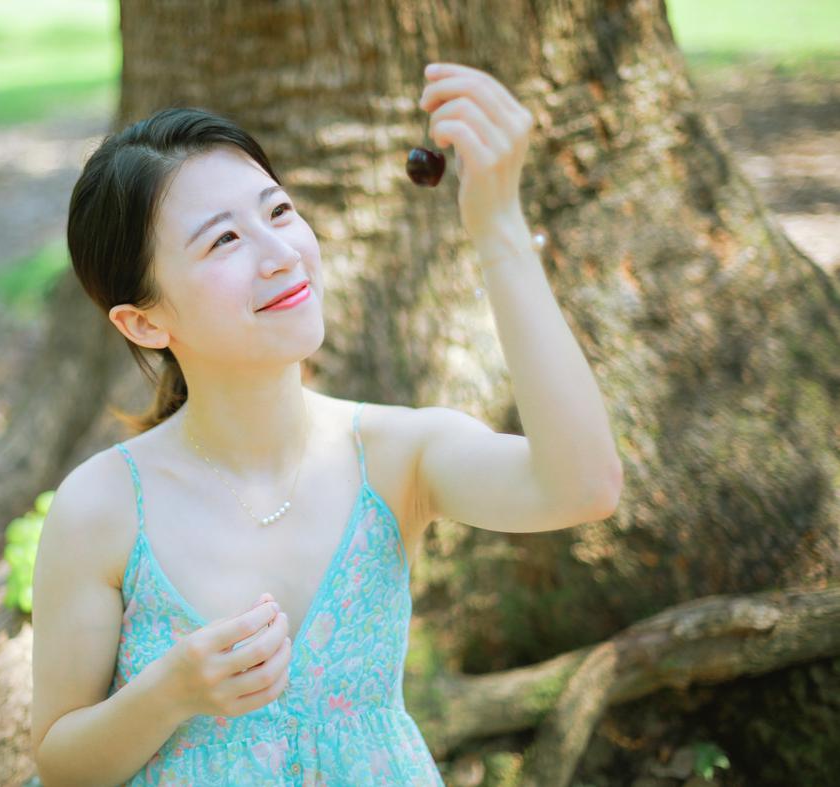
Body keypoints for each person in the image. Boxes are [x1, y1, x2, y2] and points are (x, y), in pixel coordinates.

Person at [31, 62, 623, 785]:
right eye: (224, 240)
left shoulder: (397, 455)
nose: (283, 255)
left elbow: (583, 488)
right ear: (145, 322)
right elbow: (61, 765)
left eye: (279, 212)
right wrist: (168, 695)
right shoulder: (102, 506)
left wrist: (498, 227)